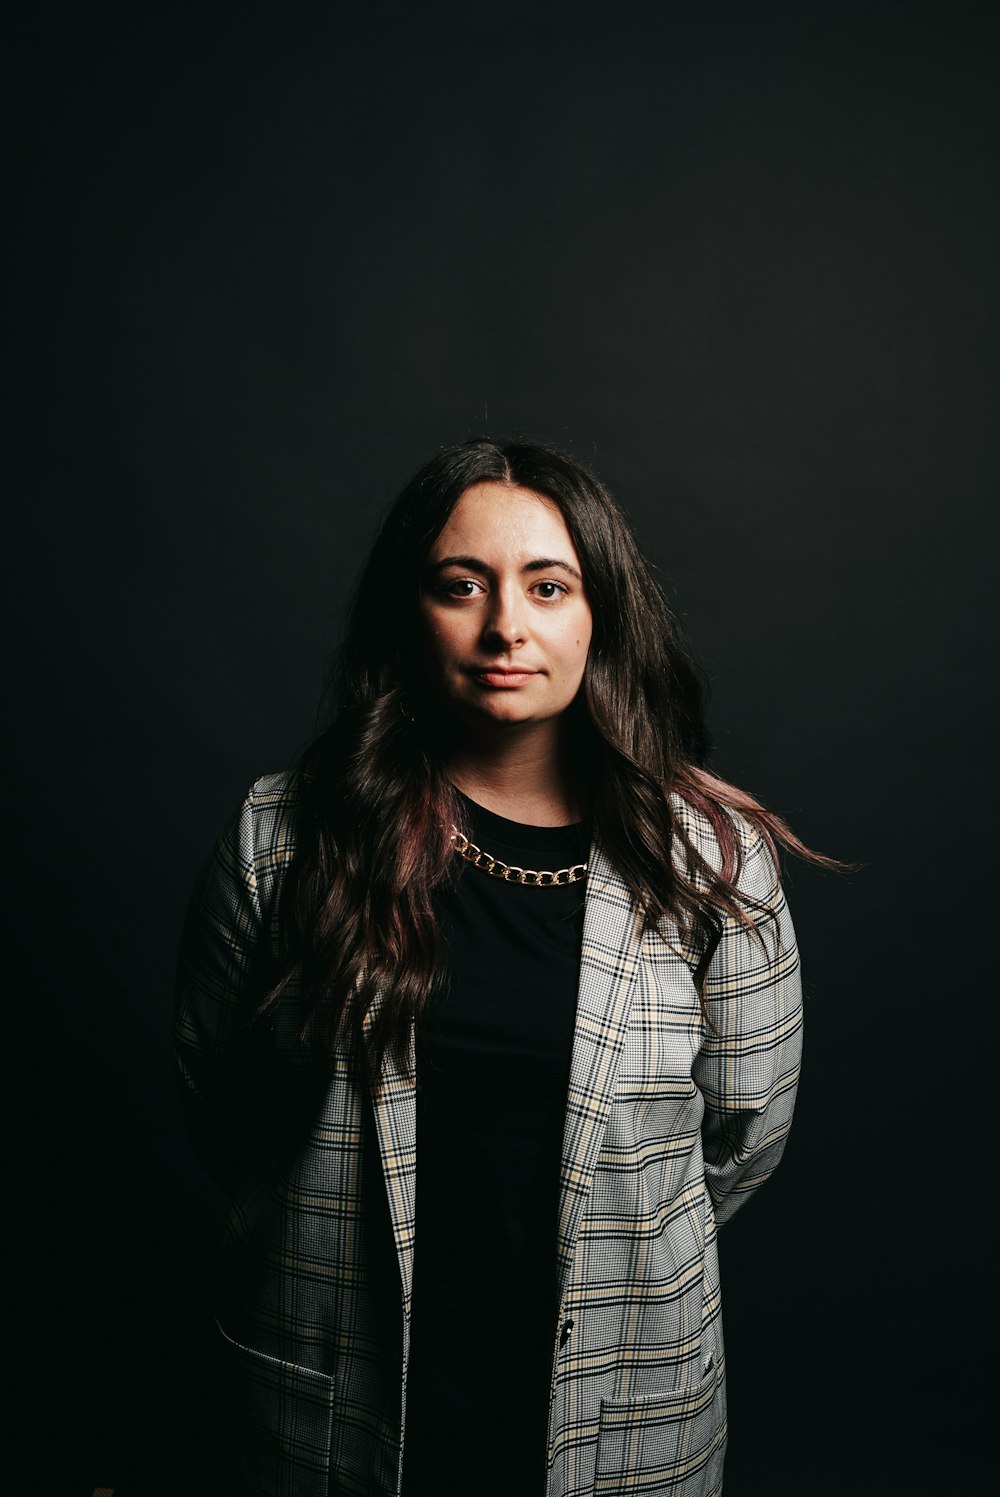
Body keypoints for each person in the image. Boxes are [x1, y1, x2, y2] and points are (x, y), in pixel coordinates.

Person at [175, 437, 823, 1497]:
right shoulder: (283, 839)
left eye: (548, 586)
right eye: (460, 585)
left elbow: (736, 1144)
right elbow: (222, 1101)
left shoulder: (711, 859)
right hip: (332, 1409)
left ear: (598, 613)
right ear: (409, 610)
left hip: (618, 1415)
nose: (505, 627)